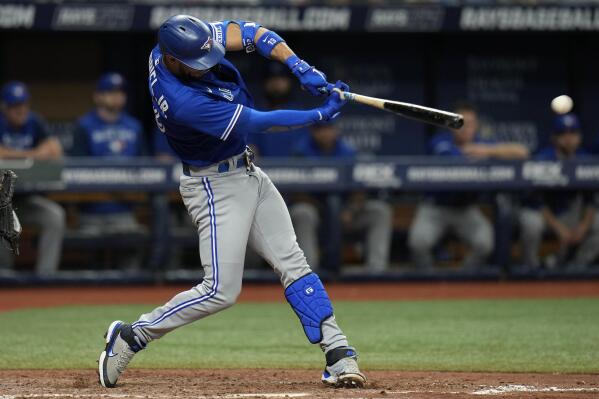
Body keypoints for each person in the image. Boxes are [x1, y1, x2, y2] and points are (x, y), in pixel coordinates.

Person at [97, 16, 365, 389]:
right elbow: (263, 122)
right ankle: (133, 335)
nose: (205, 65)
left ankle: (338, 353)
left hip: (248, 171)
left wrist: (299, 65)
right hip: (213, 185)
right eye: (196, 63)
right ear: (172, 61)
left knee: (293, 262)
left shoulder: (183, 44)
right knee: (220, 291)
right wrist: (320, 113)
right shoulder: (182, 102)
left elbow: (254, 34)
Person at [408, 102, 528, 270]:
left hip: (465, 209)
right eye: (459, 122)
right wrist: (472, 152)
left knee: (485, 243)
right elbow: (452, 158)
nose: (465, 127)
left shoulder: (482, 145)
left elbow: (521, 152)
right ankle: (429, 282)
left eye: (470, 123)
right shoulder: (440, 143)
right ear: (450, 123)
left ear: (476, 126)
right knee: (418, 242)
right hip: (435, 208)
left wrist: (488, 151)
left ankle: (462, 280)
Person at [290, 122, 392, 272]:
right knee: (302, 212)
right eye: (320, 129)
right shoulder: (301, 152)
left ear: (336, 130)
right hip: (315, 212)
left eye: (328, 129)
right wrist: (327, 212)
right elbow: (296, 192)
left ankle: (376, 270)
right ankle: (308, 273)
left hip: (346, 214)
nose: (325, 133)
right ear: (312, 131)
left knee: (379, 211)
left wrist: (350, 209)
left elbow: (360, 188)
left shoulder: (348, 151)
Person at [70, 73, 147, 269]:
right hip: (91, 212)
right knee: (92, 267)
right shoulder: (84, 126)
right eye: (110, 92)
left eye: (120, 92)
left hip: (125, 212)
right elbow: (75, 171)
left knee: (132, 256)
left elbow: (146, 168)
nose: (116, 96)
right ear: (98, 96)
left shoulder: (134, 126)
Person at [0, 81, 65, 275]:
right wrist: (32, 155)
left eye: (23, 105)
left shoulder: (34, 122)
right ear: (5, 107)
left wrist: (12, 155)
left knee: (55, 216)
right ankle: (4, 274)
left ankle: (46, 277)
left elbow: (55, 149)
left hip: (26, 199)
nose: (20, 110)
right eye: (14, 106)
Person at [519, 114, 599, 269]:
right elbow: (536, 201)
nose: (568, 138)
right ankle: (531, 268)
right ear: (554, 137)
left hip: (568, 214)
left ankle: (577, 267)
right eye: (563, 134)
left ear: (580, 136)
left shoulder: (586, 159)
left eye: (573, 133)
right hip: (544, 215)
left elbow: (591, 199)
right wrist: (559, 229)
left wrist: (583, 227)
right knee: (531, 224)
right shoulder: (543, 159)